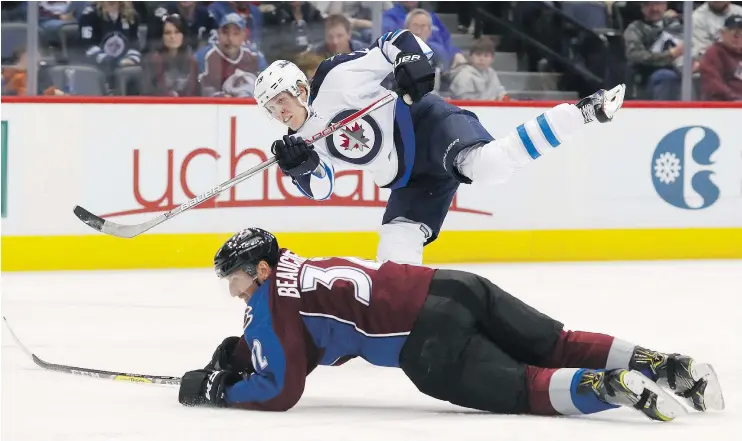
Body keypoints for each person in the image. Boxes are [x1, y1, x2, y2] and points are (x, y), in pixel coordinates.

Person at [177, 227, 725, 418]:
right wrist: (251, 359)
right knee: (555, 342)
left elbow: (281, 390)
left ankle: (607, 387)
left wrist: (225, 392)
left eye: (237, 277)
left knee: (525, 388)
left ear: (263, 269)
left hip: (427, 341)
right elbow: (312, 344)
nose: (234, 288)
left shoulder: (269, 304)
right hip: (454, 285)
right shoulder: (304, 265)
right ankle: (666, 365)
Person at [252, 28, 626, 265]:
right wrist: (299, 169)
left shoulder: (336, 77)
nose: (279, 111)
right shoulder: (298, 144)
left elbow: (393, 43)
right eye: (271, 108)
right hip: (408, 180)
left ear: (301, 88)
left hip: (427, 125)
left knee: (489, 167)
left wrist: (410, 59)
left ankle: (582, 112)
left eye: (281, 99)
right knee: (394, 260)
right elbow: (322, 189)